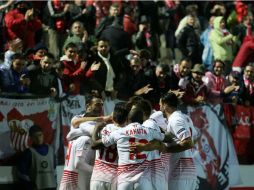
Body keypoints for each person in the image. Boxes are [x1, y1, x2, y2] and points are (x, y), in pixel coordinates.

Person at [90, 102, 129, 190]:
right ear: (127, 118)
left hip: (98, 177)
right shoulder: (127, 133)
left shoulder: (104, 128)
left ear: (113, 116)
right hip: (115, 178)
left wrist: (96, 128)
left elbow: (94, 143)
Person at [17, 125, 56, 190]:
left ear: (43, 135)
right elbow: (22, 173)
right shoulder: (28, 153)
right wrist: (30, 186)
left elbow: (54, 170)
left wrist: (55, 183)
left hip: (52, 186)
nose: (38, 138)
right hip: (37, 187)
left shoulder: (51, 150)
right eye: (35, 136)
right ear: (31, 138)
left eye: (40, 135)